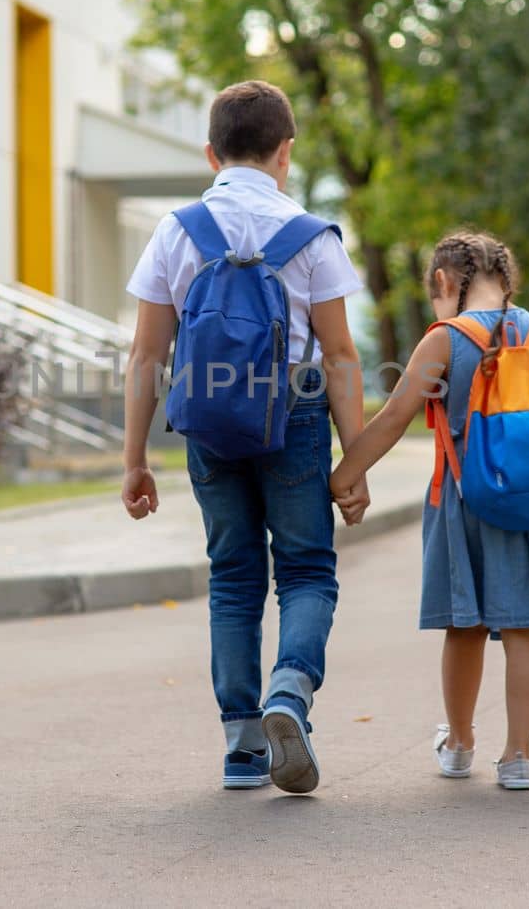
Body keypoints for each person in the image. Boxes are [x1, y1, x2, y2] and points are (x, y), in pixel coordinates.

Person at [119, 79, 368, 794]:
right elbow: (343, 357)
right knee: (307, 572)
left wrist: (135, 459)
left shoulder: (177, 232)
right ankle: (288, 693)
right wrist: (353, 461)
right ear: (286, 153)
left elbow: (146, 357)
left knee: (232, 576)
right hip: (293, 418)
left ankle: (241, 745)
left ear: (210, 153)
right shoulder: (312, 236)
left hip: (210, 426)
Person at [329, 230, 529, 790]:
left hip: (464, 506)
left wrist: (342, 478)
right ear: (505, 280)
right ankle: (519, 758)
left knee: (464, 626)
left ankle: (459, 744)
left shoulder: (445, 340)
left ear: (442, 281)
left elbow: (391, 420)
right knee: (525, 630)